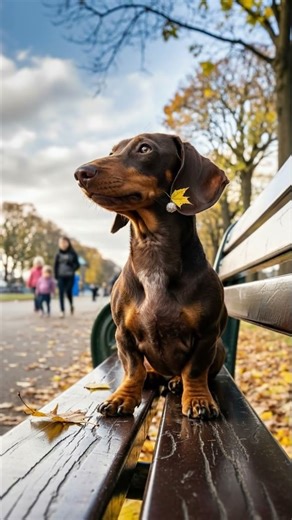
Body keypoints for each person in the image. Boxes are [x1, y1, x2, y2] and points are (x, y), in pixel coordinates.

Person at [54, 236, 80, 318]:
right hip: (61, 276)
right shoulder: (58, 254)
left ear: (68, 243)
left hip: (70, 276)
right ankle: (62, 311)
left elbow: (77, 265)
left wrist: (72, 267)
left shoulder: (73, 253)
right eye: (61, 243)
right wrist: (56, 276)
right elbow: (55, 265)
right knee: (61, 293)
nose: (63, 244)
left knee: (68, 292)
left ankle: (71, 305)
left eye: (64, 242)